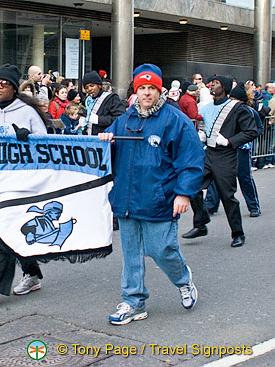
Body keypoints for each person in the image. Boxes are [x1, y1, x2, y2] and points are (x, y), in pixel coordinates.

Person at [98, 63, 204, 325]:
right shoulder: (123, 121)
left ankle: (183, 280)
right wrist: (104, 142)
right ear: (136, 91)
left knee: (161, 249)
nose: (146, 93)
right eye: (142, 88)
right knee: (131, 253)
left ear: (160, 91)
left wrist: (184, 194)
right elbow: (107, 156)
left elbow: (191, 160)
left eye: (151, 88)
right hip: (126, 200)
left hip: (159, 199)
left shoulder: (174, 119)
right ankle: (134, 301)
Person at [0, 64, 47, 307]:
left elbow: (46, 146)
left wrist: (29, 140)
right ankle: (32, 274)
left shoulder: (27, 113)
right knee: (13, 231)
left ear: (14, 88)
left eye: (4, 83)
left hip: (22, 183)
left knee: (2, 230)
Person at [182, 76, 258, 248]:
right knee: (192, 186)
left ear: (223, 87)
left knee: (227, 196)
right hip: (209, 153)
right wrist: (203, 136)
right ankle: (200, 224)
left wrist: (230, 141)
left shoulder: (237, 108)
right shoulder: (207, 108)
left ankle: (238, 233)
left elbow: (251, 131)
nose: (211, 86)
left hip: (226, 155)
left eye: (215, 83)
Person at [82, 70, 125, 135]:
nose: (89, 89)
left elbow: (121, 118)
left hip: (105, 140)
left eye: (92, 85)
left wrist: (99, 120)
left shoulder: (111, 98)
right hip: (90, 140)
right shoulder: (87, 101)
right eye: (86, 87)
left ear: (99, 85)